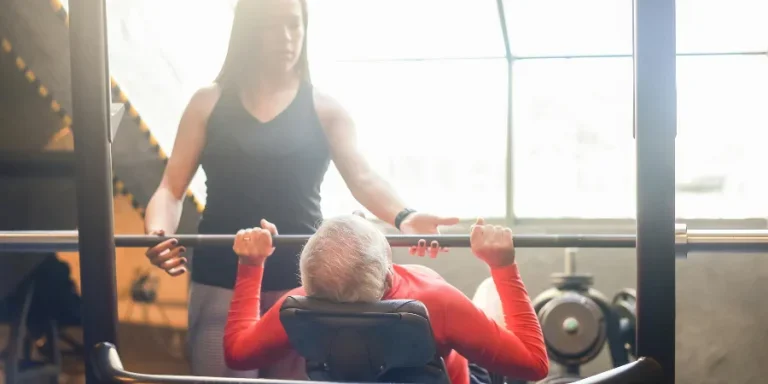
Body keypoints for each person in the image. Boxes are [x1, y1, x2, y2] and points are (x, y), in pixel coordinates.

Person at [141, 0, 459, 378]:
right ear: (248, 30)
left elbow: (363, 178)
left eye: (294, 25)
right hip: (219, 278)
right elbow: (170, 189)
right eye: (273, 26)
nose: (287, 37)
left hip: (301, 284)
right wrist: (157, 234)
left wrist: (405, 216)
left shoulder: (326, 109)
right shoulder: (207, 102)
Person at [224, 215, 549, 384]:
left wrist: (251, 265)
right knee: (489, 292)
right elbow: (535, 364)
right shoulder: (438, 302)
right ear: (389, 273)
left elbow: (237, 355)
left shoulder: (299, 307)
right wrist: (502, 265)